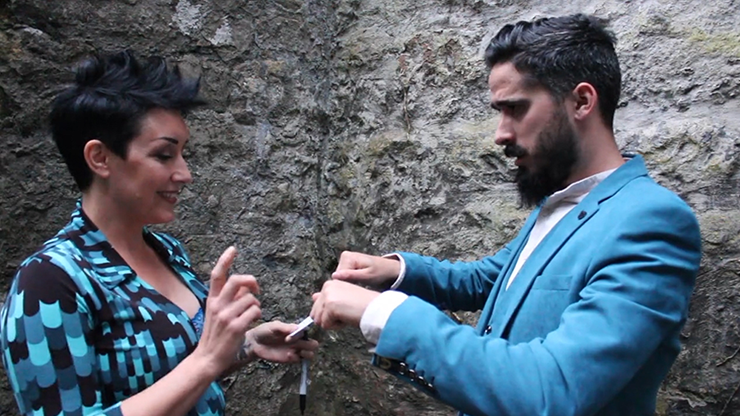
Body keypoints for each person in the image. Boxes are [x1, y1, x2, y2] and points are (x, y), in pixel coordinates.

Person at [310, 14, 702, 416]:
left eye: (515, 108)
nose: (500, 133)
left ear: (582, 102)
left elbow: (552, 392)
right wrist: (394, 272)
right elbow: (495, 279)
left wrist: (381, 313)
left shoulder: (651, 222)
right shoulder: (564, 199)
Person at [0, 50, 318, 416]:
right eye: (164, 155)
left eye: (183, 154)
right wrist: (208, 359)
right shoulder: (49, 282)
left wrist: (244, 346)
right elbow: (198, 364)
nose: (185, 174)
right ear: (100, 158)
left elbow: (171, 370)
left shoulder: (167, 251)